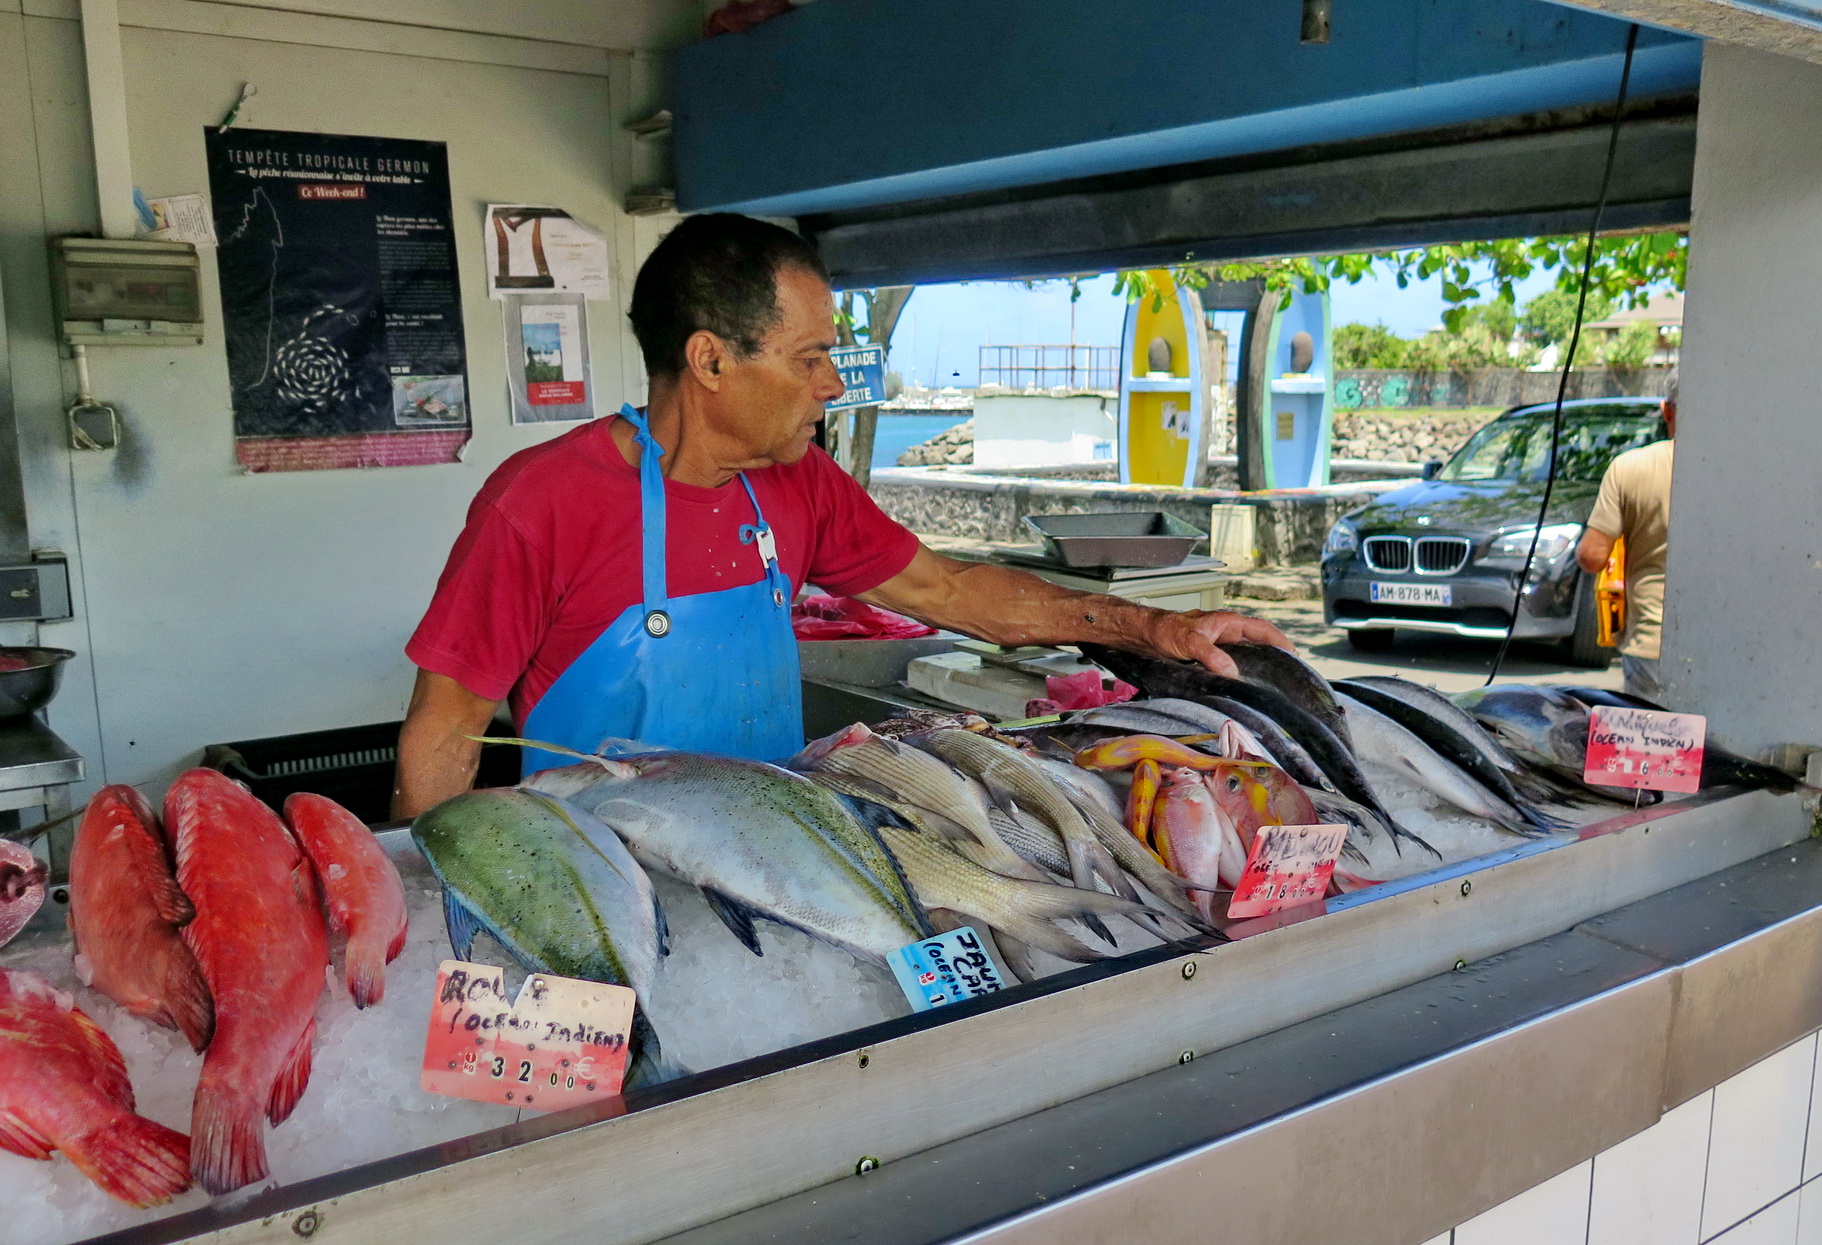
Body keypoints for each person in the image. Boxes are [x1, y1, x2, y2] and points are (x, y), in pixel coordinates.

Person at [391, 214, 1291, 818]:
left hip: (782, 848)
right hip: (599, 869)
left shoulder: (800, 483)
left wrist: (1152, 627)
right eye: (811, 357)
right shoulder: (542, 501)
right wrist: (430, 905)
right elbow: (445, 728)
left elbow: (962, 593)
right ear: (710, 361)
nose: (832, 385)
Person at [1576, 377, 1676, 700]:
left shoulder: (1630, 468)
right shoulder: (1744, 469)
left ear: (1667, 411)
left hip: (1652, 640)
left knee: (1653, 745)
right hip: (1728, 642)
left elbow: (1592, 557)